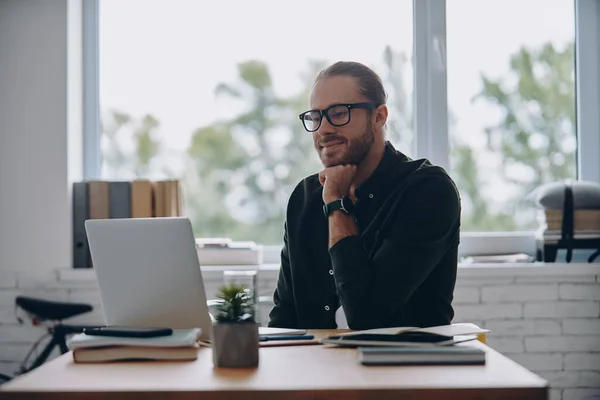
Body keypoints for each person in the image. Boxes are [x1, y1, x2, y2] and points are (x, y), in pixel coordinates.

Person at [268, 61, 461, 330]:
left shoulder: (428, 191)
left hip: (406, 368)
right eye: (315, 116)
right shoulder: (305, 197)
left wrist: (336, 205)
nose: (323, 129)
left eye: (338, 113)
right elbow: (284, 319)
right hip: (314, 367)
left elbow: (369, 317)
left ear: (379, 116)